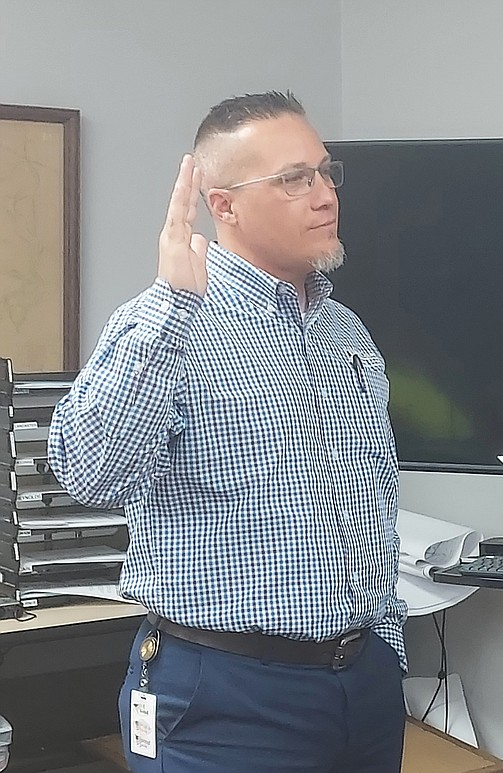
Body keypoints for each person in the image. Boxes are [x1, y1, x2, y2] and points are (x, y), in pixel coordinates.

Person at [48, 92, 406, 773]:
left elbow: (373, 498)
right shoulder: (166, 323)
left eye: (326, 172)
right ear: (224, 204)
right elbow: (88, 472)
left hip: (362, 684)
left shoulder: (346, 332)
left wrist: (386, 647)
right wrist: (172, 305)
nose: (324, 195)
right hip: (224, 694)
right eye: (294, 179)